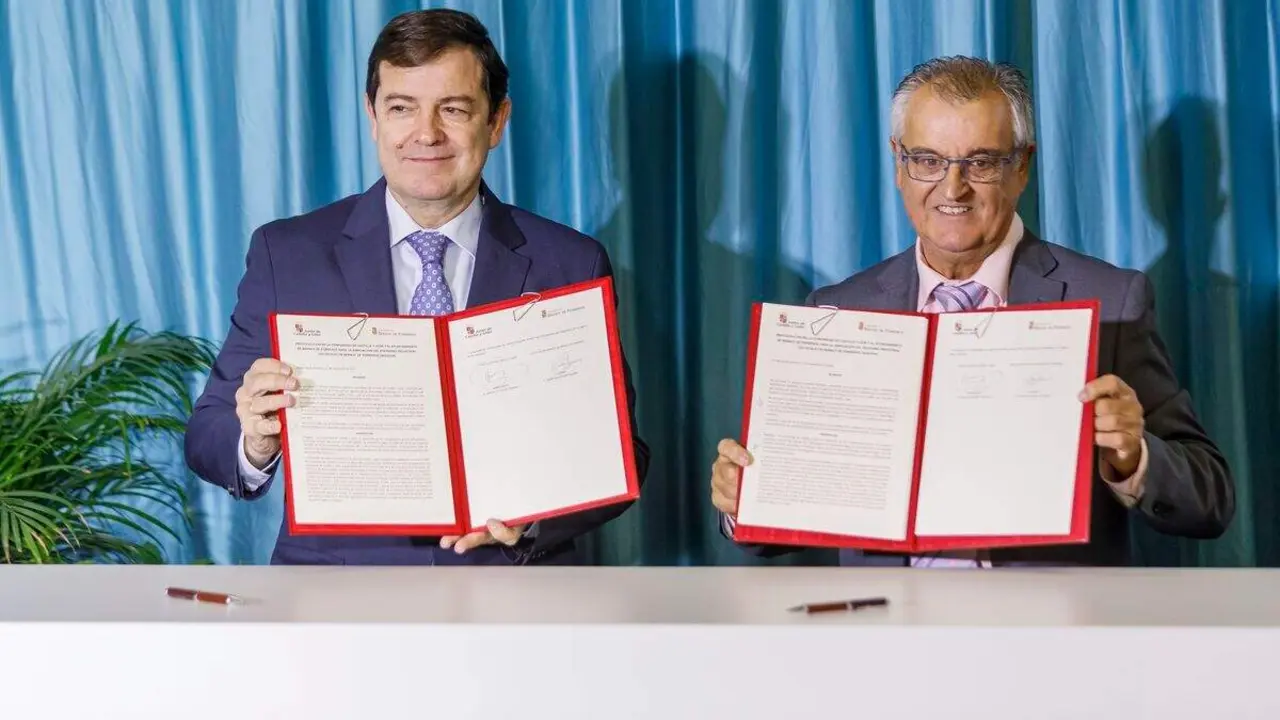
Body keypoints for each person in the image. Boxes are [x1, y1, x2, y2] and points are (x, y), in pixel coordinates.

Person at [708, 56, 1233, 567]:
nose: (952, 187)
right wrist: (746, 500)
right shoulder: (837, 312)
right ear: (899, 163)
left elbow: (1210, 501)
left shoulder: (1111, 301)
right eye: (928, 160)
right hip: (886, 633)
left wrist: (1132, 457)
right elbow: (776, 526)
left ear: (1021, 165)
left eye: (979, 162)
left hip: (1047, 637)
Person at [185, 9, 649, 566]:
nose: (425, 134)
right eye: (402, 108)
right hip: (335, 597)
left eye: (453, 109)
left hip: (513, 596)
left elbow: (623, 454)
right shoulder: (286, 254)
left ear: (496, 121)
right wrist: (254, 441)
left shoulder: (570, 261)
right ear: (373, 116)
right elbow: (207, 432)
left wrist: (533, 519)